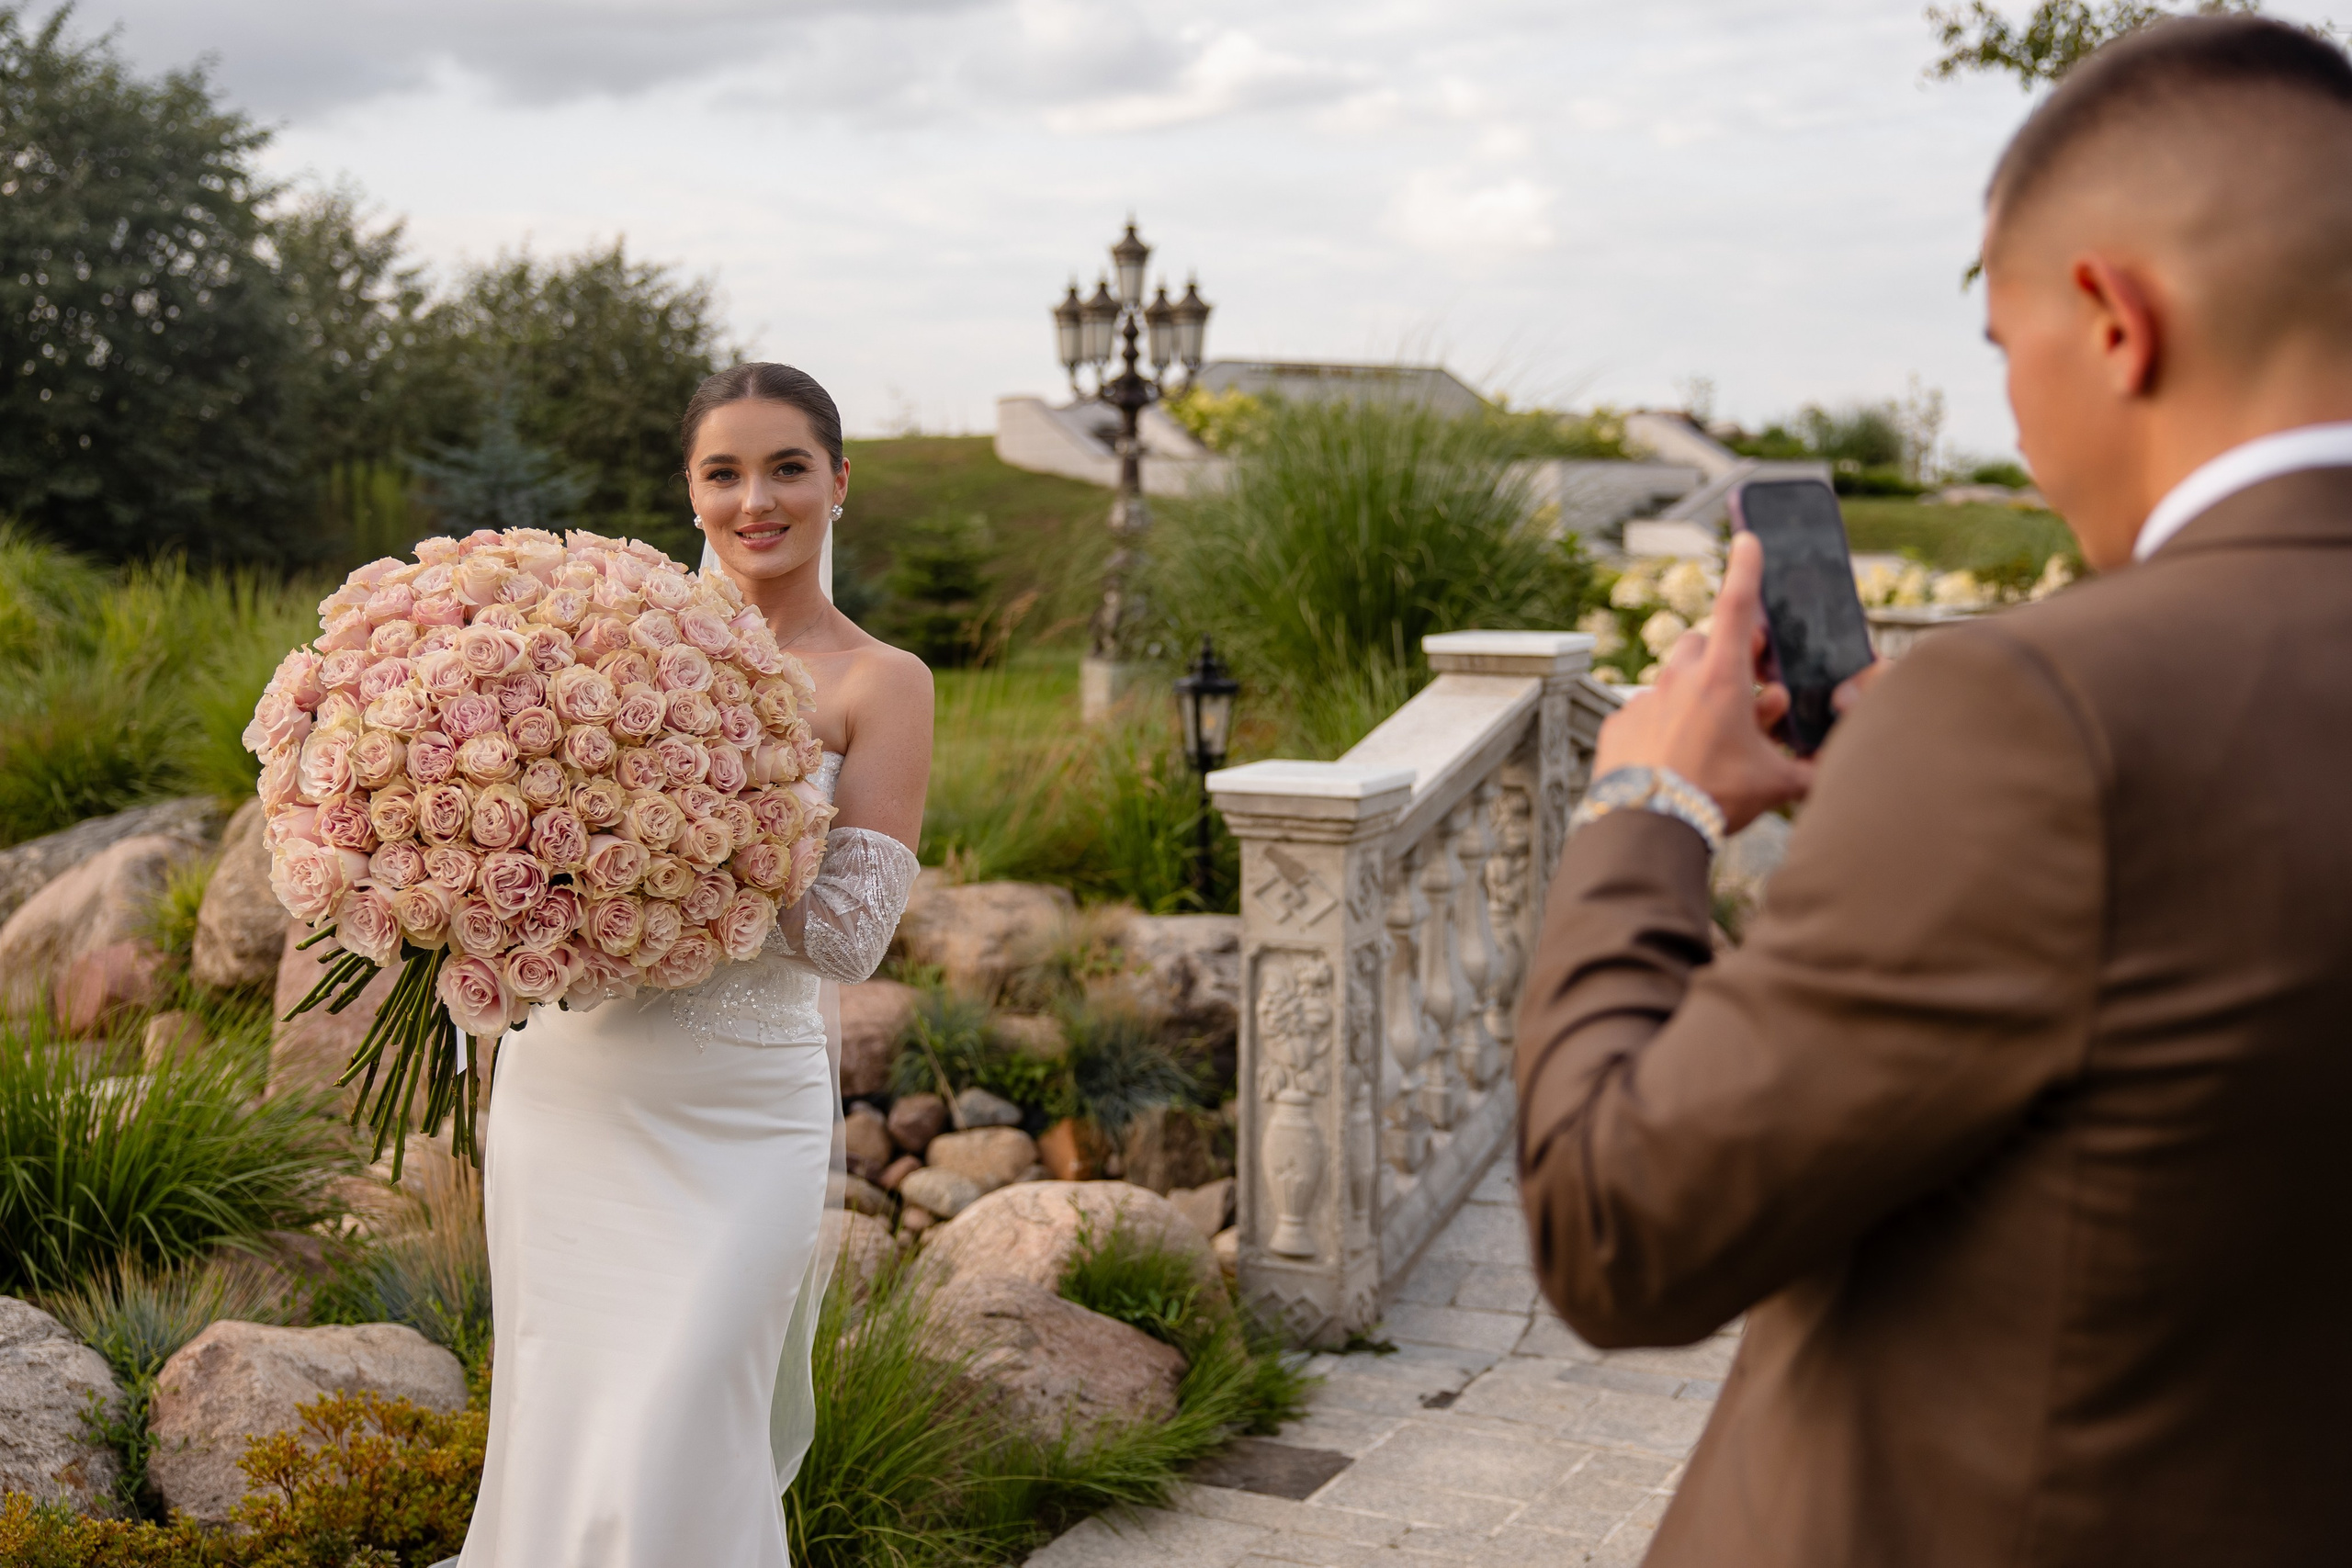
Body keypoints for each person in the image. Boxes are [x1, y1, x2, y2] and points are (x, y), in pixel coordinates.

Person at [1512, 17, 2352, 1565]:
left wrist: (1649, 809)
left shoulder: (2042, 714)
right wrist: (1918, 823)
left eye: (2003, 354)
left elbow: (1617, 1227)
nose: (2023, 436)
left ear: (2113, 319)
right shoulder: (2043, 748)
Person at [452, 364, 933, 1568]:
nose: (755, 499)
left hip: (738, 1110)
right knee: (565, 1412)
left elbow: (846, 937)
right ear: (691, 489)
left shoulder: (884, 683)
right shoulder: (590, 649)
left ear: (838, 482)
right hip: (576, 1084)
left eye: (787, 467)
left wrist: (683, 839)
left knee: (684, 1413)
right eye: (725, 472)